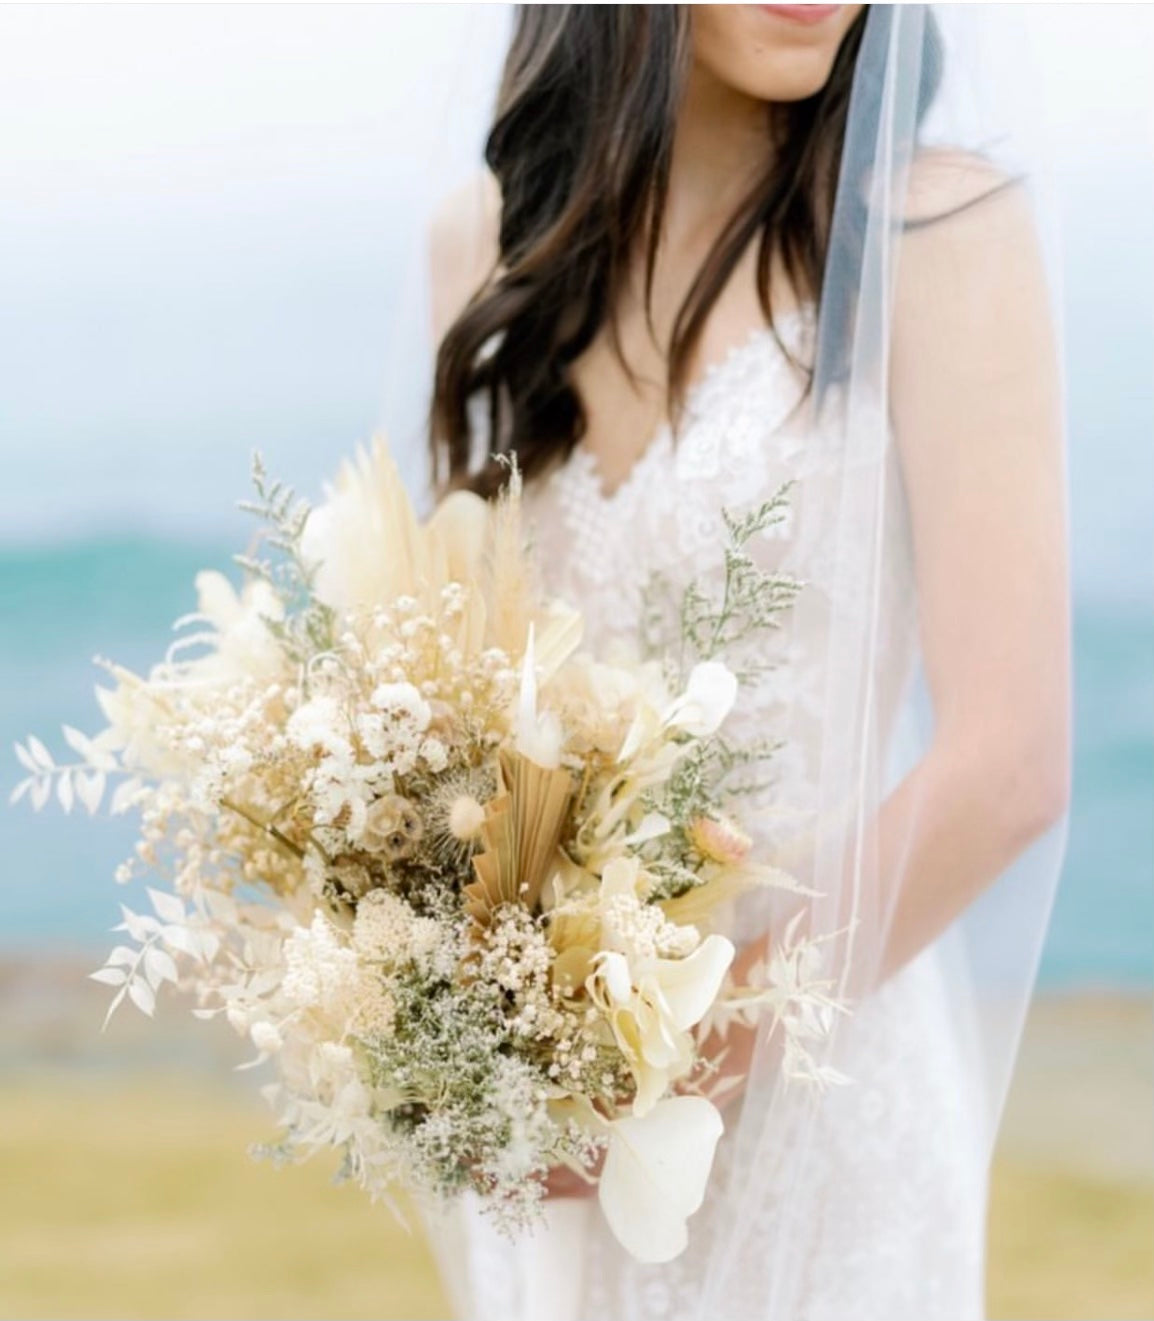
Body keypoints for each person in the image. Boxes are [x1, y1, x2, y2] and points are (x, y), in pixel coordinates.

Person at [404, 6, 1070, 1319]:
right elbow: (476, 714)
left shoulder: (934, 232)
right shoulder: (482, 247)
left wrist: (667, 1066)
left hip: (821, 1096)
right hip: (559, 1137)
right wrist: (484, 1047)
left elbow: (1008, 762)